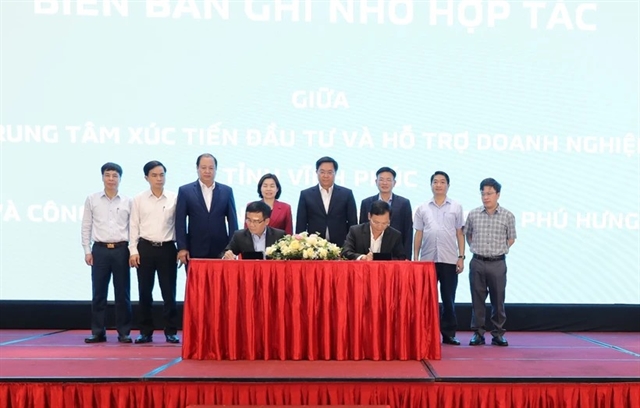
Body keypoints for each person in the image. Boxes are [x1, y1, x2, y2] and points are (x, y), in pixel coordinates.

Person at [128, 161, 179, 344]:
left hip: (167, 248)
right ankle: (145, 332)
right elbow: (133, 225)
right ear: (146, 178)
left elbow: (180, 225)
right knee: (145, 292)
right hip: (145, 248)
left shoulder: (174, 198)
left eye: (162, 174)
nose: (159, 178)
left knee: (169, 293)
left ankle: (171, 331)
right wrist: (133, 250)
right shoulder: (138, 199)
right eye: (154, 175)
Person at [81, 162, 132, 344]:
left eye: (115, 176)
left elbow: (133, 228)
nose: (111, 179)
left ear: (120, 178)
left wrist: (133, 250)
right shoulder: (92, 199)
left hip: (121, 250)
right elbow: (86, 225)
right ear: (102, 177)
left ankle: (124, 332)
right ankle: (98, 332)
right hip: (100, 250)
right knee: (99, 293)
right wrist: (87, 250)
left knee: (122, 293)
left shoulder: (128, 201)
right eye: (108, 175)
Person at [413, 171, 465, 346]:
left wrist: (461, 257)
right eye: (435, 182)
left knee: (448, 299)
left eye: (442, 182)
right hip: (427, 260)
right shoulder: (422, 207)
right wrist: (416, 257)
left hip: (449, 259)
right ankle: (426, 334)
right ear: (431, 185)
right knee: (427, 299)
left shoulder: (456, 206)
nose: (439, 185)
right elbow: (418, 233)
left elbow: (460, 233)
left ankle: (449, 334)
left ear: (448, 185)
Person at [464, 178, 517, 347]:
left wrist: (499, 249)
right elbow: (468, 235)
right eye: (483, 193)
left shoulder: (508, 215)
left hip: (497, 263)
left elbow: (511, 238)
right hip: (477, 262)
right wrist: (476, 248)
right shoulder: (473, 214)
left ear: (498, 194)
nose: (485, 197)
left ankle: (498, 333)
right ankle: (478, 333)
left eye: (489, 193)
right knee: (477, 300)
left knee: (498, 299)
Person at [176, 153, 238, 266]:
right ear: (197, 168)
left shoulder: (226, 191)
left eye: (211, 168)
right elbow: (180, 222)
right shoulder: (185, 191)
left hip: (221, 249)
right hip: (194, 249)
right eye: (203, 168)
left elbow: (233, 222)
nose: (207, 171)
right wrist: (182, 247)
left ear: (216, 169)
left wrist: (232, 248)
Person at [295, 156, 357, 247]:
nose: (326, 176)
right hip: (313, 247)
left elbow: (353, 222)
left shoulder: (346, 194)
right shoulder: (306, 194)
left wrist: (351, 245)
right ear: (316, 172)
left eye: (330, 172)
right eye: (322, 172)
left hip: (341, 245)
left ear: (335, 173)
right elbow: (301, 223)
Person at [359, 167, 413, 260]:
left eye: (388, 180)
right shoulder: (366, 202)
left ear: (394, 183)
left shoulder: (404, 203)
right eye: (381, 179)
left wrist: (407, 256)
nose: (385, 183)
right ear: (376, 182)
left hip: (394, 254)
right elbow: (362, 229)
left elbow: (408, 231)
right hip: (370, 254)